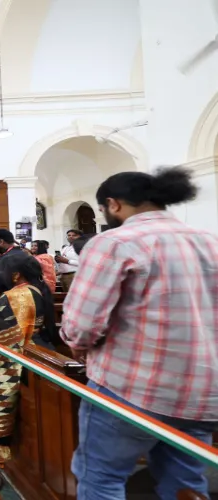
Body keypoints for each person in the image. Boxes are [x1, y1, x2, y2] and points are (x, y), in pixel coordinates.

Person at [61, 167, 218, 500]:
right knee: (186, 485)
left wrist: (77, 344)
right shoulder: (209, 240)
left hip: (132, 387)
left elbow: (82, 324)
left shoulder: (114, 242)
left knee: (101, 477)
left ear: (113, 204)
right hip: (202, 392)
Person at [0, 252, 57, 469]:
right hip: (40, 353)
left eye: (3, 271)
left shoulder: (18, 296)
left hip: (27, 361)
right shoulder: (37, 288)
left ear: (16, 275)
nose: (2, 275)